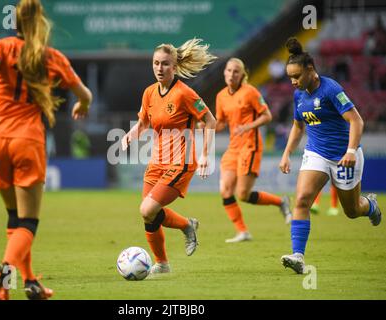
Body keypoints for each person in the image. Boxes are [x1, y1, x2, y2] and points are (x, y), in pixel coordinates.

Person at [0, 0, 92, 299]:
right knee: (28, 223)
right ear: (40, 23)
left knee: (14, 219)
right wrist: (83, 104)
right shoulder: (52, 57)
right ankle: (6, 269)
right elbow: (84, 93)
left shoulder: (0, 46)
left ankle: (24, 284)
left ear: (15, 23)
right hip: (27, 141)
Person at [279, 38, 382, 274]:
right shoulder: (299, 95)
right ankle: (298, 256)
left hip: (344, 156)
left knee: (352, 210)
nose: (293, 82)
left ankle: (371, 206)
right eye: (290, 77)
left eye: (297, 76)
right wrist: (286, 153)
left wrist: (351, 151)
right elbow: (298, 126)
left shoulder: (330, 89)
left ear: (310, 70)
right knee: (303, 199)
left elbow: (356, 120)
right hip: (316, 153)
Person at [122, 38, 217, 274]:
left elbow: (210, 120)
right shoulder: (149, 93)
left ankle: (186, 226)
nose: (159, 68)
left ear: (174, 67)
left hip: (181, 162)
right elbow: (144, 122)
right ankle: (162, 264)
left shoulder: (184, 93)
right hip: (157, 161)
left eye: (165, 64)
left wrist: (205, 154)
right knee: (148, 215)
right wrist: (130, 135)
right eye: (156, 63)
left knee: (147, 209)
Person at [215, 58, 292, 243]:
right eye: (229, 70)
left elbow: (267, 116)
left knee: (243, 194)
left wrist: (249, 126)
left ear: (242, 75)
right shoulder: (221, 96)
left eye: (236, 71)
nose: (232, 74)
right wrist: (205, 125)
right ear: (224, 72)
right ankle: (242, 231)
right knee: (225, 190)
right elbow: (221, 123)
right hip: (233, 147)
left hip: (250, 145)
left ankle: (281, 202)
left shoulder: (250, 92)